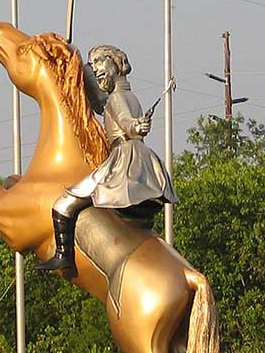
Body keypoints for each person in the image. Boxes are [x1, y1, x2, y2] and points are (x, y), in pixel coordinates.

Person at [38, 44, 177, 277]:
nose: (96, 69)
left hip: (123, 159)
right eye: (93, 65)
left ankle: (64, 257)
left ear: (115, 64)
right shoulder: (125, 95)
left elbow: (124, 119)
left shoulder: (117, 98)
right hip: (140, 161)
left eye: (100, 62)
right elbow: (97, 99)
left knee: (63, 204)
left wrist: (135, 126)